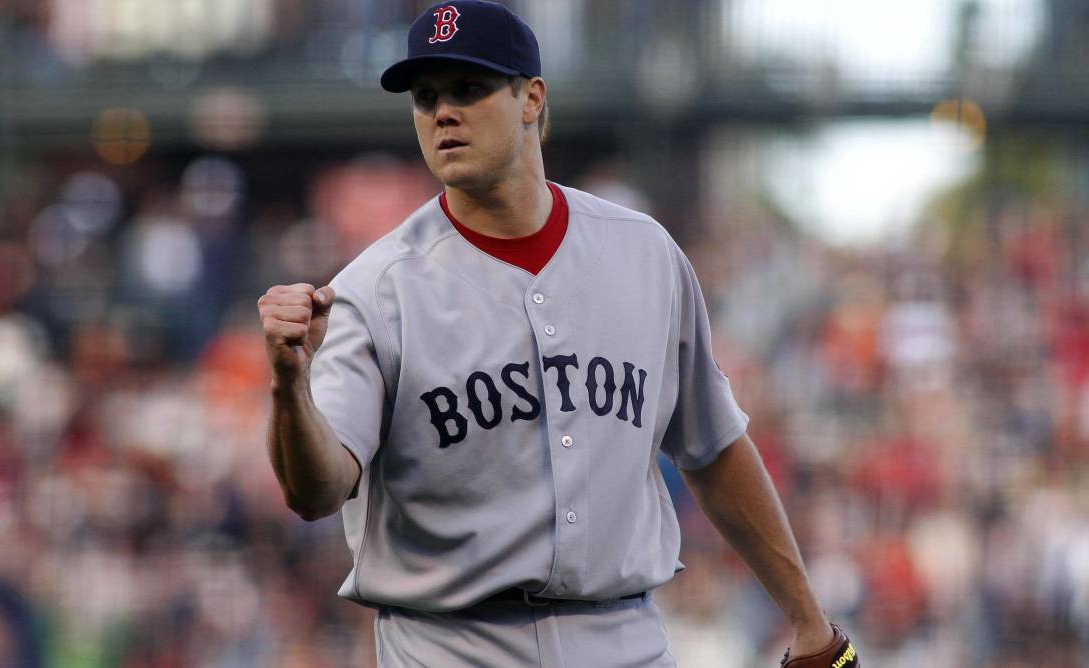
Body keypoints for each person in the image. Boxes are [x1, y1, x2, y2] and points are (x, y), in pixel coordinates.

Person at [258, 2, 859, 666]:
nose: (442, 113)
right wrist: (291, 389)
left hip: (624, 638)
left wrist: (808, 620)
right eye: (425, 97)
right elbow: (314, 492)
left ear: (531, 98)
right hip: (451, 645)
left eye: (468, 89)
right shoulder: (371, 291)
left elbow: (713, 447)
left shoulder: (645, 254)